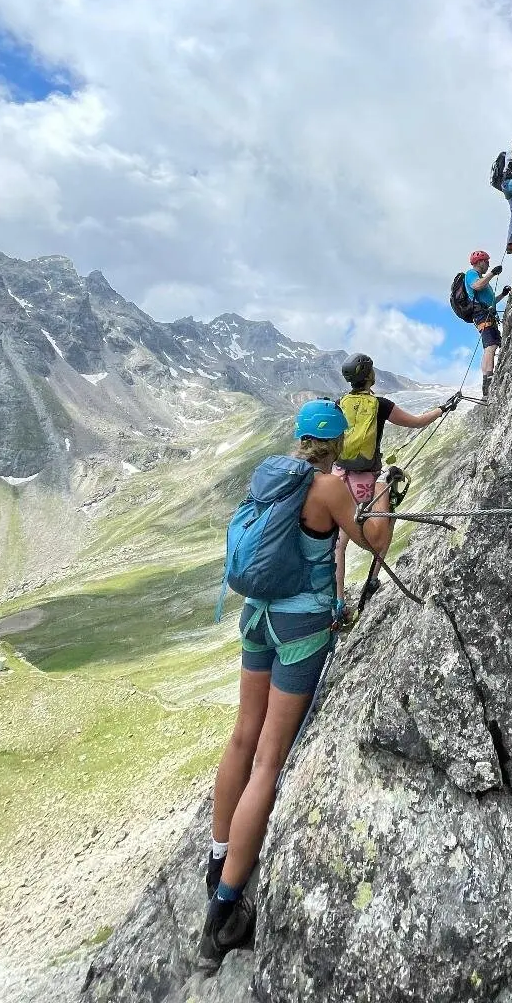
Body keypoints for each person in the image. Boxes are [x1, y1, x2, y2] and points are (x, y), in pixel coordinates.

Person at [200, 398, 387, 967]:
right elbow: (373, 540)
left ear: (301, 436)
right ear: (339, 442)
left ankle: (216, 858)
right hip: (301, 626)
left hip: (256, 615)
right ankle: (222, 916)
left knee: (241, 738)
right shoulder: (329, 488)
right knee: (269, 762)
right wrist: (378, 493)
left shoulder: (273, 474)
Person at [334, 353, 457, 615]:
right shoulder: (380, 405)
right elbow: (416, 422)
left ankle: (338, 600)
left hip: (338, 477)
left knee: (339, 543)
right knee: (385, 524)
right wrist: (442, 410)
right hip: (365, 482)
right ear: (369, 376)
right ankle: (374, 577)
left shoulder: (339, 404)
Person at [464, 249, 510, 400]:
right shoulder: (471, 274)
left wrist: (502, 294)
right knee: (490, 346)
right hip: (482, 315)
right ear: (480, 262)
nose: (488, 264)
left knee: (490, 345)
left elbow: (490, 302)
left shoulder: (481, 278)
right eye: (486, 261)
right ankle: (488, 382)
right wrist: (493, 274)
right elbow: (477, 286)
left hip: (486, 313)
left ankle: (487, 382)